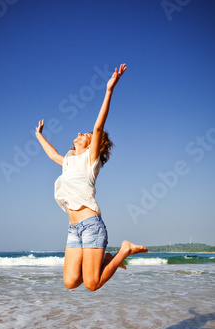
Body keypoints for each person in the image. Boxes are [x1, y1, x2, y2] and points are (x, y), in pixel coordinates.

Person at [35, 64, 147, 291]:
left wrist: (109, 91)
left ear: (92, 146)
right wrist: (38, 135)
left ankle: (124, 250)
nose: (79, 134)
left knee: (92, 284)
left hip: (91, 226)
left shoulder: (90, 160)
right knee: (70, 282)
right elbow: (52, 154)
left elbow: (98, 128)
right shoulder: (68, 161)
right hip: (72, 229)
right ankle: (105, 259)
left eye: (83, 135)